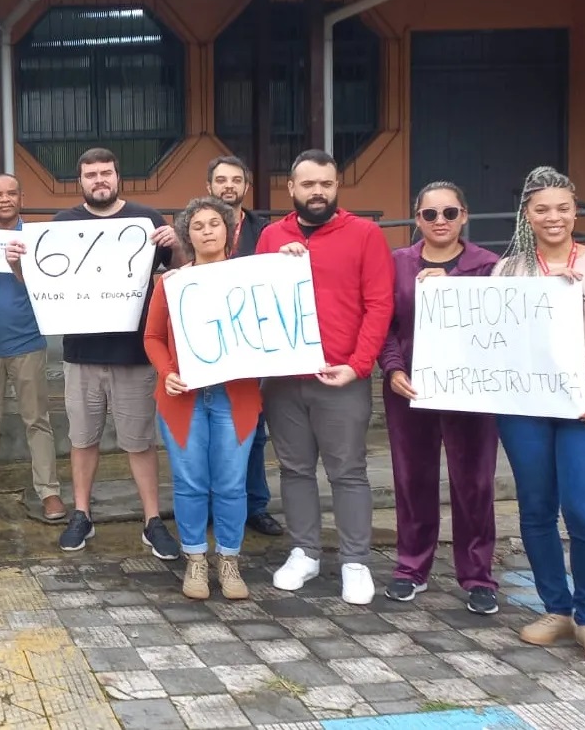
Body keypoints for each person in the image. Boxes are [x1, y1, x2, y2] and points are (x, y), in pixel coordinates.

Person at [493, 167, 585, 665]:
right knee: (535, 509)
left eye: (561, 208)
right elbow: (494, 337)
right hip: (526, 398)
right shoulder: (510, 270)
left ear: (576, 210)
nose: (552, 217)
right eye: (541, 209)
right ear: (527, 215)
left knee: (584, 512)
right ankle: (555, 608)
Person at [257, 149, 394, 605]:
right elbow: (257, 297)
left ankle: (355, 560)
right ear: (291, 189)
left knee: (348, 472)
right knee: (294, 469)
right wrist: (280, 261)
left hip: (341, 375)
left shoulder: (365, 234)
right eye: (309, 184)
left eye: (327, 184)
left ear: (337, 187)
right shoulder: (272, 236)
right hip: (283, 377)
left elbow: (379, 305)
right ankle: (304, 551)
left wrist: (358, 365)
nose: (318, 191)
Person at [51, 149, 181, 560]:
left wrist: (176, 244)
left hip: (135, 352)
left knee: (139, 441)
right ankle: (82, 514)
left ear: (118, 175)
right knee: (82, 439)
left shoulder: (147, 219)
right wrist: (20, 266)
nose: (99, 180)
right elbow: (39, 282)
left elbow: (179, 270)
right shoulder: (63, 224)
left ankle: (151, 520)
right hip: (81, 353)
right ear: (81, 181)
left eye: (106, 172)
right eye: (91, 174)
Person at [379, 182, 501, 614]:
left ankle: (477, 575)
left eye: (449, 213)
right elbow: (385, 324)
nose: (440, 222)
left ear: (464, 216)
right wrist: (393, 368)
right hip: (410, 387)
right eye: (430, 215)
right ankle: (411, 568)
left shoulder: (488, 266)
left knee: (475, 482)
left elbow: (502, 321)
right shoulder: (396, 264)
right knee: (413, 479)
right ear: (417, 220)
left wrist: (448, 284)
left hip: (471, 390)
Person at [144, 197, 263, 601]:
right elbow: (153, 337)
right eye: (198, 225)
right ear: (186, 235)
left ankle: (228, 559)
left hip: (237, 396)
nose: (207, 231)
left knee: (231, 484)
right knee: (190, 482)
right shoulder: (171, 282)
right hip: (183, 397)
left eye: (216, 223)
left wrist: (291, 259)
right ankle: (195, 557)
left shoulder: (252, 278)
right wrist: (167, 372)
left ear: (230, 231)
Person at [0, 174, 64, 523]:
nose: (4, 199)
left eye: (11, 193)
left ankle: (49, 492)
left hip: (28, 341)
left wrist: (19, 265)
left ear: (21, 197)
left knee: (38, 420)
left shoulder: (36, 237)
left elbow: (48, 287)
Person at [203, 155, 283, 538]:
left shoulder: (264, 231)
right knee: (203, 433)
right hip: (205, 345)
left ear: (246, 187)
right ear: (210, 187)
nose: (228, 186)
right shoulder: (193, 228)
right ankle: (206, 504)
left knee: (253, 430)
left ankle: (255, 505)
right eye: (221, 180)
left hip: (252, 346)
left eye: (236, 180)